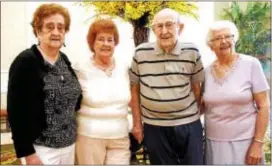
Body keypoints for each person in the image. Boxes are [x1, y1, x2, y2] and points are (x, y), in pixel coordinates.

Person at [7, 3, 82, 165]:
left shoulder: (64, 60)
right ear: (38, 31)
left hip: (68, 145)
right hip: (41, 149)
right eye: (49, 27)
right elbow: (16, 112)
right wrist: (27, 153)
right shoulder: (25, 62)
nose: (56, 32)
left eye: (60, 28)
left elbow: (75, 98)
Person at [129, 8, 205, 165]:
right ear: (153, 29)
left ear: (180, 27)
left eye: (169, 25)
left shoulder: (192, 51)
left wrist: (192, 113)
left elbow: (197, 87)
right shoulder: (140, 53)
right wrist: (137, 124)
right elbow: (134, 89)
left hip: (188, 123)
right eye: (159, 26)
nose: (164, 31)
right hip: (154, 126)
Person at [202, 20, 270, 165]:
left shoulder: (251, 64)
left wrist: (258, 144)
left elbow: (264, 105)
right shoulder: (205, 72)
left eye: (228, 36)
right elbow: (201, 106)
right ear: (210, 45)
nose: (224, 41)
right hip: (214, 143)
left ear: (234, 39)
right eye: (218, 38)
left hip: (246, 143)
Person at [73, 18, 131, 165]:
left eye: (110, 40)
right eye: (100, 39)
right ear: (92, 43)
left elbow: (134, 97)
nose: (106, 44)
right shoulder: (79, 69)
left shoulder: (124, 67)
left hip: (120, 136)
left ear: (115, 43)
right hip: (89, 137)